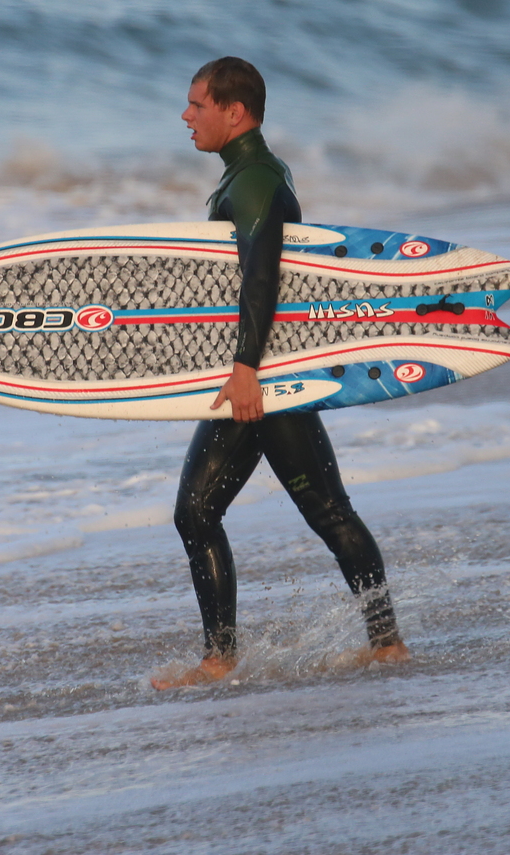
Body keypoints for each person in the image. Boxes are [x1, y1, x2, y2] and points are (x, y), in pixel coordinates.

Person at [153, 57, 410, 690]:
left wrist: (243, 368)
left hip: (261, 375)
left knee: (197, 512)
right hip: (275, 371)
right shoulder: (252, 174)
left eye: (197, 105)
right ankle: (387, 645)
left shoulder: (257, 181)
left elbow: (262, 274)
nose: (186, 115)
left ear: (233, 111)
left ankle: (220, 660)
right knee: (327, 511)